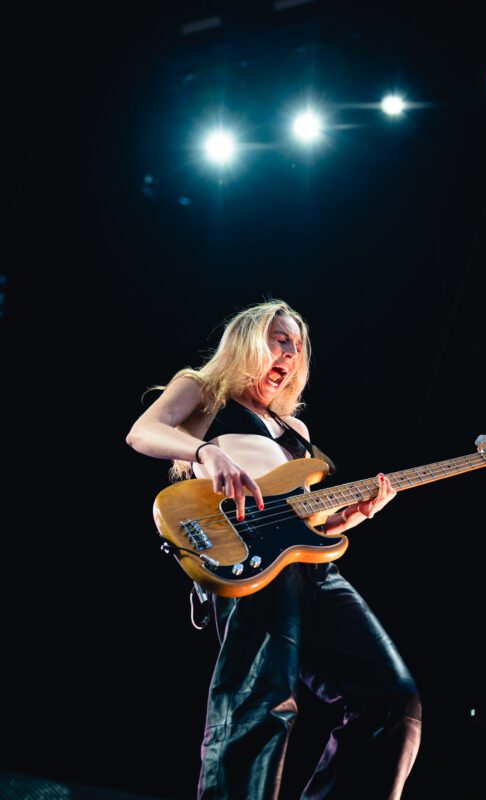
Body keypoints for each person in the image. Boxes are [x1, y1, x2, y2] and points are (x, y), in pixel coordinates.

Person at [126, 300, 421, 800]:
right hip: (249, 563)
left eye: (297, 346)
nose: (290, 352)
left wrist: (350, 516)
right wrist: (205, 450)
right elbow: (142, 432)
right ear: (246, 340)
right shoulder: (204, 392)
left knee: (393, 699)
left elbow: (305, 522)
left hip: (314, 571)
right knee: (262, 702)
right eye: (279, 339)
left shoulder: (296, 432)